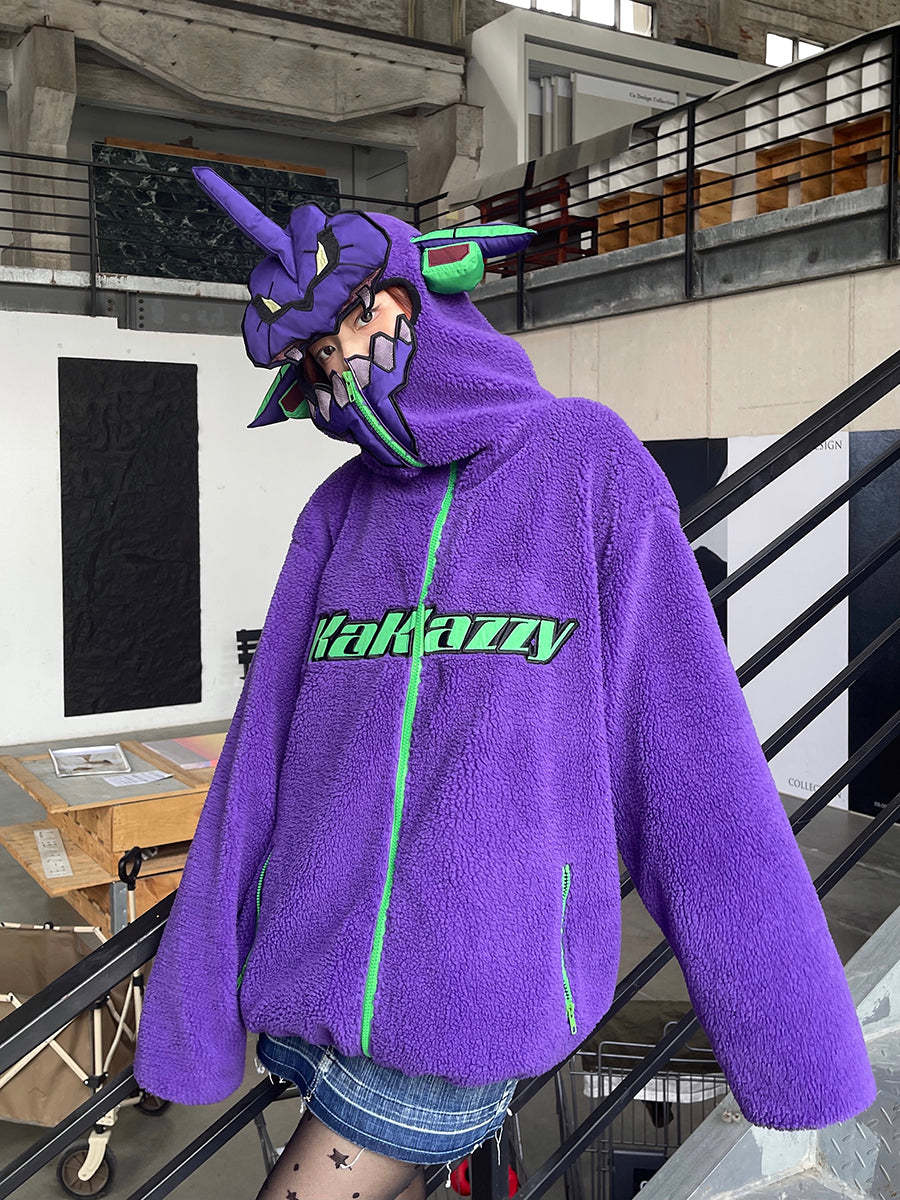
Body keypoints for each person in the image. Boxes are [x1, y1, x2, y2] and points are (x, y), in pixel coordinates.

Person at [132, 166, 876, 1200]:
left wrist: (795, 1049)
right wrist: (197, 1012)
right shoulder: (339, 512)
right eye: (315, 353)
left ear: (417, 290)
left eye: (356, 317)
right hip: (304, 987)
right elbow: (259, 762)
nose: (343, 361)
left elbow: (693, 769)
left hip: (462, 1015)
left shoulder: (585, 464)